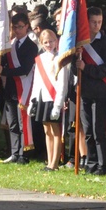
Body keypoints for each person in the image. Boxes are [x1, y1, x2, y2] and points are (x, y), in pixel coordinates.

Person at [75, 7, 106, 175]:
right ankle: (90, 163)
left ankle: (102, 164)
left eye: (99, 22)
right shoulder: (80, 42)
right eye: (93, 22)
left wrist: (87, 68)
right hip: (84, 91)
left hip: (100, 90)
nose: (97, 25)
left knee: (99, 130)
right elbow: (73, 68)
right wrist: (76, 61)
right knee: (88, 129)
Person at [0, 12, 37, 164]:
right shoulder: (10, 45)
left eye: (20, 27)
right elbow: (3, 61)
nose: (17, 30)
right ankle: (14, 152)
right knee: (12, 123)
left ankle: (23, 153)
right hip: (11, 89)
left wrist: (4, 71)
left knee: (21, 123)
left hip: (24, 89)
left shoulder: (31, 46)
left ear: (27, 26)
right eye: (14, 27)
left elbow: (25, 69)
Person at [29, 29, 68, 171]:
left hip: (54, 99)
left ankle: (55, 163)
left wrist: (58, 105)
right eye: (45, 42)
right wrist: (32, 100)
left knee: (56, 131)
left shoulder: (60, 59)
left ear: (56, 41)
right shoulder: (39, 59)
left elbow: (62, 84)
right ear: (41, 43)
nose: (49, 44)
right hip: (42, 98)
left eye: (51, 41)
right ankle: (49, 160)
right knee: (47, 131)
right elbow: (37, 82)